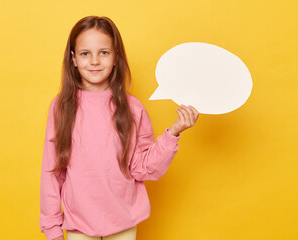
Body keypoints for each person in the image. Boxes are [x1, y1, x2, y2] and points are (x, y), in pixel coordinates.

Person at [39, 15, 199, 240]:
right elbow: (52, 170)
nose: (94, 61)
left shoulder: (133, 108)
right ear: (73, 59)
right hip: (79, 225)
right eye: (86, 54)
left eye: (103, 52)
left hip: (123, 222)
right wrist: (52, 228)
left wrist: (173, 133)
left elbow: (141, 168)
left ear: (116, 57)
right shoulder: (61, 107)